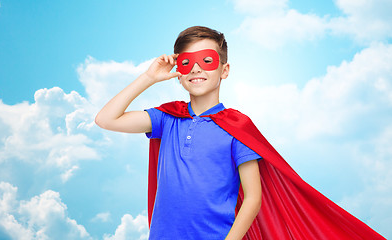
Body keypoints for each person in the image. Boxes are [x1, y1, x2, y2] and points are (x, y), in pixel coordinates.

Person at [95, 26, 385, 240]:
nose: (196, 68)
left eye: (206, 60)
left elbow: (253, 198)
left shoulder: (236, 128)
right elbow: (106, 119)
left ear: (224, 70)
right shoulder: (166, 119)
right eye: (186, 62)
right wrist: (149, 77)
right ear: (179, 72)